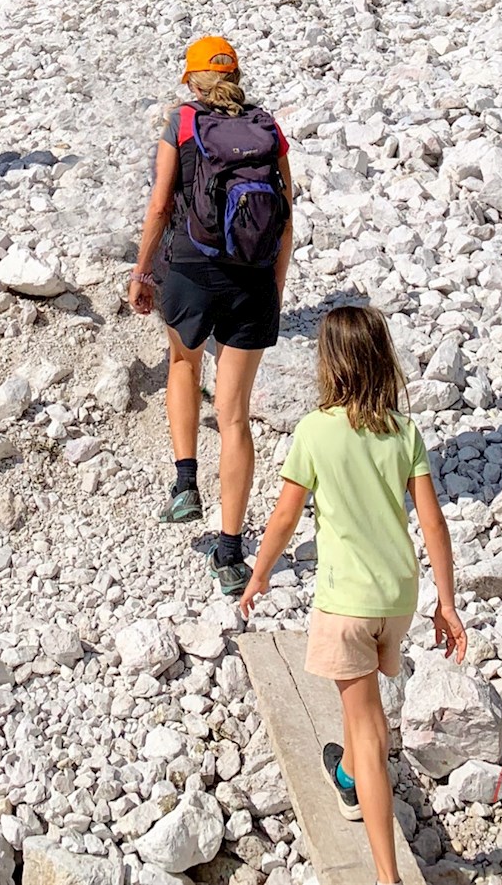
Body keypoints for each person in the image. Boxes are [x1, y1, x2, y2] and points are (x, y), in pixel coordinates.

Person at [240, 305, 466, 885]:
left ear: (330, 363)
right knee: (360, 703)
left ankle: (387, 876)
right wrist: (446, 603)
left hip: (346, 604)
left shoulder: (315, 431)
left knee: (369, 729)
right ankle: (346, 779)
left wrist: (259, 573)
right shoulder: (403, 431)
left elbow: (285, 516)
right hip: (398, 598)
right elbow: (433, 523)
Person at [129, 36, 293, 598]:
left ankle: (185, 484)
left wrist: (142, 270)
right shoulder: (267, 127)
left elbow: (159, 204)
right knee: (235, 416)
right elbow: (286, 217)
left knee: (183, 363)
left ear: (192, 80)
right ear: (236, 76)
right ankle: (230, 553)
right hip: (253, 277)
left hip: (191, 269)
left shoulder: (182, 122)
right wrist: (273, 287)